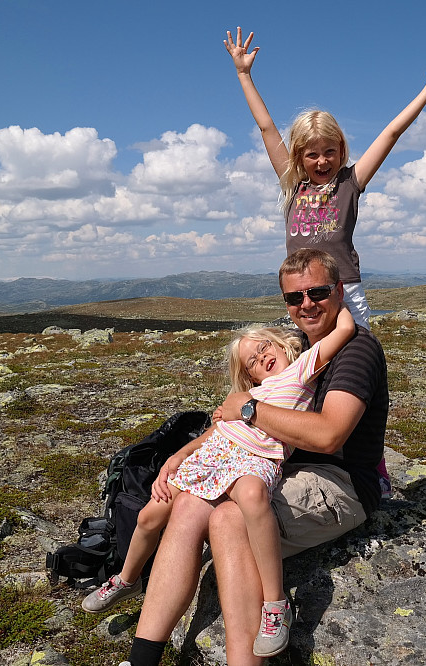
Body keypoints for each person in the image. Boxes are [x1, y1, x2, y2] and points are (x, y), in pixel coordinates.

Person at [121, 249, 389, 666]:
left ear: (339, 291)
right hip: (287, 469)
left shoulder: (355, 351)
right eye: (293, 298)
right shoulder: (300, 349)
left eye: (317, 292)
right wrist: (183, 453)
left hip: (341, 484)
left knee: (230, 518)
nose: (306, 304)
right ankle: (142, 657)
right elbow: (238, 419)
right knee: (189, 503)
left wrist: (248, 407)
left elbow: (329, 434)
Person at [90, 309, 355, 657]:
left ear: (282, 343)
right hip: (214, 455)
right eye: (252, 362)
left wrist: (346, 293)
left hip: (255, 460)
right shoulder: (252, 393)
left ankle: (275, 603)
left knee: (252, 498)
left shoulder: (300, 370)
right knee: (150, 516)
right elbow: (222, 427)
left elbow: (345, 329)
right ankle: (127, 578)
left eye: (263, 348)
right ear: (249, 376)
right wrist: (178, 457)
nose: (261, 358)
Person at [224, 26, 426, 330]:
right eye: (312, 154)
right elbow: (267, 127)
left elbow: (392, 132)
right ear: (298, 157)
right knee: (310, 373)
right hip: (304, 297)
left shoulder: (350, 182)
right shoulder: (293, 185)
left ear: (341, 149)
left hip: (345, 291)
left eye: (329, 151)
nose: (322, 161)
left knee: (357, 363)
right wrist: (244, 75)